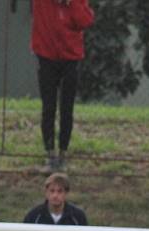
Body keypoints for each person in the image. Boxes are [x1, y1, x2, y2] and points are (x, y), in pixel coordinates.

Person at [31, 0, 95, 172]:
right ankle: (50, 154)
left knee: (67, 109)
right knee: (48, 107)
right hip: (46, 57)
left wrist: (71, 2)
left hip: (70, 59)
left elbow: (85, 21)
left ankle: (63, 154)